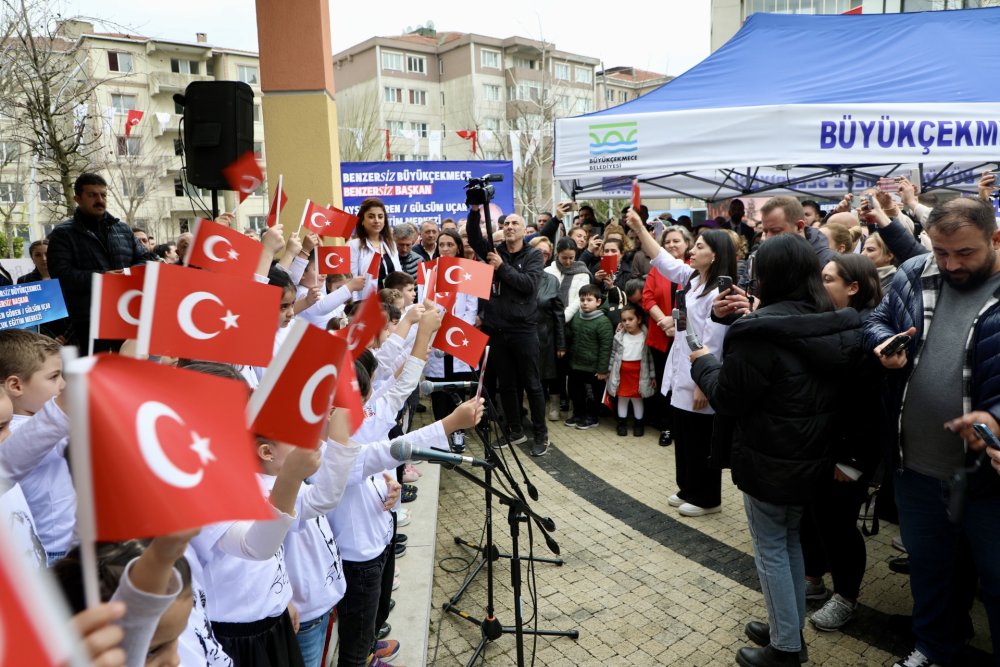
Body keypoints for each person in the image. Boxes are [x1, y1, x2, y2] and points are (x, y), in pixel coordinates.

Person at [691, 234, 863, 667]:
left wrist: (704, 362)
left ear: (768, 276)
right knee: (788, 541)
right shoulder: (835, 322)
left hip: (769, 458)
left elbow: (728, 397)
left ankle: (786, 647)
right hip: (813, 456)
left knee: (772, 548)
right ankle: (785, 624)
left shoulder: (758, 332)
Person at [863, 198, 1000, 667]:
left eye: (965, 253)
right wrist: (882, 342)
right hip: (916, 466)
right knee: (930, 570)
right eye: (942, 252)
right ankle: (935, 649)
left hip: (988, 478)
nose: (951, 264)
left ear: (995, 238)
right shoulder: (914, 271)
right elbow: (877, 319)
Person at [628, 211, 735, 516]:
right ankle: (688, 486)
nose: (692, 250)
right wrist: (639, 229)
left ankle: (707, 498)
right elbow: (663, 260)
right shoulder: (693, 279)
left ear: (715, 255)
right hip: (682, 369)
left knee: (700, 439)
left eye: (700, 246)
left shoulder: (719, 292)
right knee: (685, 436)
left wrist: (704, 384)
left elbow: (714, 342)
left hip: (701, 374)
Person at [801, 254, 884, 632]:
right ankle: (813, 578)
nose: (820, 286)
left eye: (828, 279)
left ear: (853, 287)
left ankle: (846, 596)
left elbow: (870, 406)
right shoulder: (830, 321)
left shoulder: (870, 332)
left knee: (838, 525)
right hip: (821, 444)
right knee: (814, 515)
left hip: (847, 450)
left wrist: (852, 460)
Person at [465, 206, 549, 456]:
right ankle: (515, 429)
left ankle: (541, 433)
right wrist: (474, 211)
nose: (510, 227)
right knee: (507, 384)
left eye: (515, 224)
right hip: (498, 330)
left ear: (524, 231)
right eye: (506, 224)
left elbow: (528, 285)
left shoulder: (533, 255)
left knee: (532, 383)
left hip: (524, 330)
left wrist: (502, 267)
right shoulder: (494, 251)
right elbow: (473, 237)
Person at [46, 173, 153, 351]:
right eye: (92, 195)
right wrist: (101, 278)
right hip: (89, 318)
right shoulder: (63, 234)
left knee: (128, 363)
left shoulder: (122, 229)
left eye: (103, 195)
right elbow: (61, 274)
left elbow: (145, 259)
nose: (100, 200)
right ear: (77, 199)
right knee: (96, 365)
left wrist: (128, 274)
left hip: (126, 311)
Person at [644, 226, 692, 447]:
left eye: (676, 241)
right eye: (667, 242)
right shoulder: (657, 268)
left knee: (683, 382)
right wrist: (664, 321)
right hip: (661, 335)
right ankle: (666, 426)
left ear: (687, 243)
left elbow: (695, 302)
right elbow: (648, 298)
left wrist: (675, 322)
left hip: (686, 335)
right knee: (664, 383)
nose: (671, 245)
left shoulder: (693, 269)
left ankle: (682, 426)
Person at [563, 284, 613, 430]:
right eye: (582, 299)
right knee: (575, 391)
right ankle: (578, 414)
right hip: (576, 364)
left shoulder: (603, 322)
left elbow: (606, 347)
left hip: (593, 368)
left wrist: (602, 369)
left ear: (598, 302)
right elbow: (570, 336)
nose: (585, 303)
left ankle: (592, 417)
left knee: (593, 394)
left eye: (589, 300)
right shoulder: (576, 317)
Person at [607, 305, 655, 437]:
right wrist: (609, 371)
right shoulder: (619, 337)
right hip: (622, 374)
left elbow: (650, 358)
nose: (627, 323)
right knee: (622, 398)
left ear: (638, 319)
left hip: (640, 375)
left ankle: (639, 424)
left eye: (630, 319)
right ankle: (621, 424)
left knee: (637, 399)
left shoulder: (645, 336)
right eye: (624, 320)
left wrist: (652, 376)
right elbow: (613, 355)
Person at [348, 198, 400, 300]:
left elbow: (398, 275)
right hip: (368, 302)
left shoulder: (391, 244)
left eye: (380, 217)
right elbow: (352, 280)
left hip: (393, 302)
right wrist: (355, 305)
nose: (376, 221)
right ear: (362, 221)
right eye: (371, 217)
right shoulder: (354, 246)